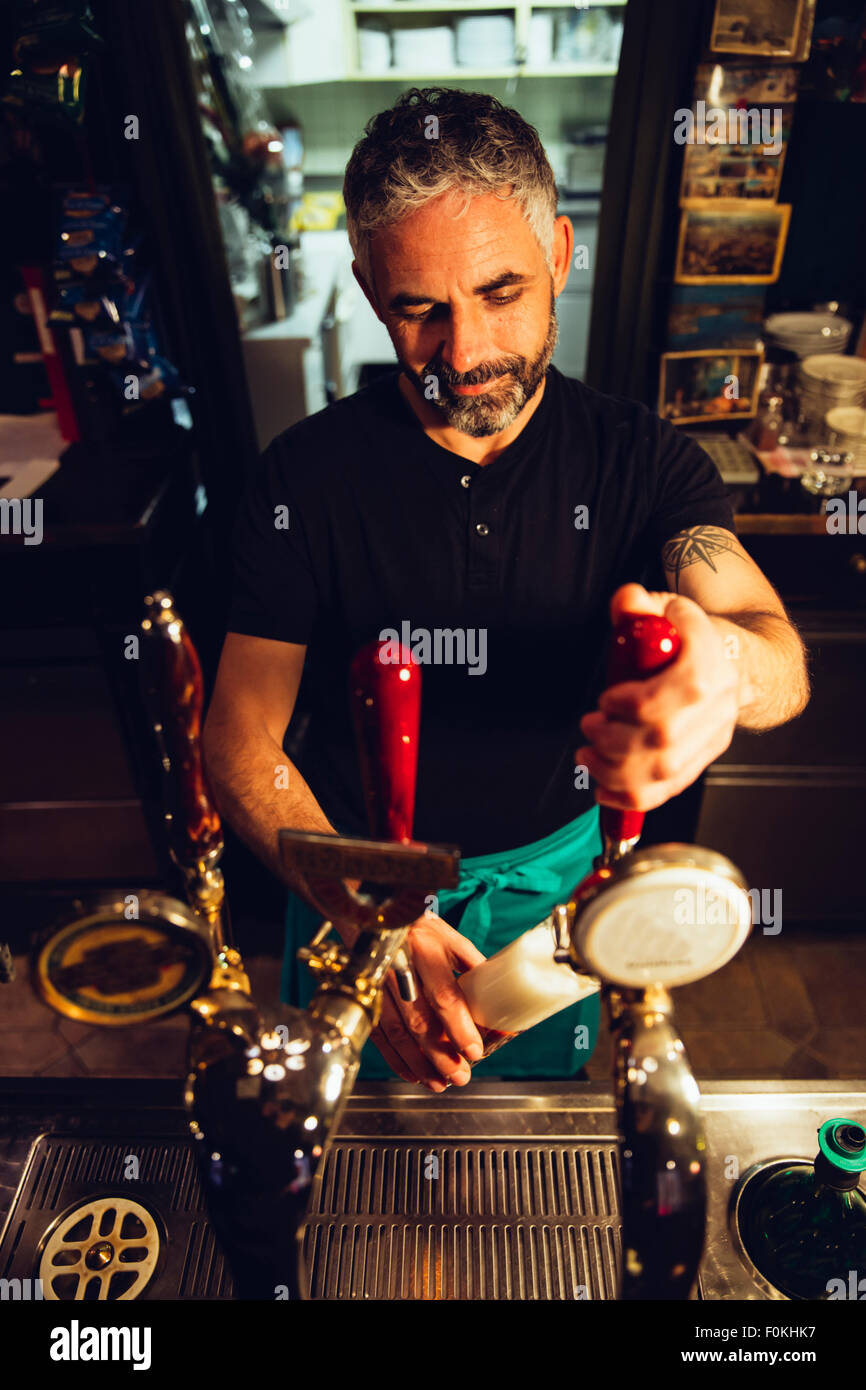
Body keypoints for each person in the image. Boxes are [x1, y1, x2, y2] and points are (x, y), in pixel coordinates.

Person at [203, 88, 809, 1092]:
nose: (467, 352)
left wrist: (721, 668)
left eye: (500, 291)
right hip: (354, 872)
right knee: (356, 1128)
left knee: (523, 1119)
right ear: (364, 287)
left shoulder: (645, 466)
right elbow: (237, 735)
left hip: (550, 892)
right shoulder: (300, 479)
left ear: (560, 257)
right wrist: (372, 918)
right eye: (419, 308)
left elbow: (771, 651)